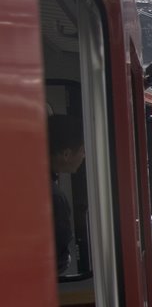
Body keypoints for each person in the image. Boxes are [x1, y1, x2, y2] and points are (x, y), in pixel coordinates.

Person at [48, 115, 85, 274]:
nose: (84, 156)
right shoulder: (55, 197)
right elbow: (59, 260)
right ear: (66, 154)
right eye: (82, 151)